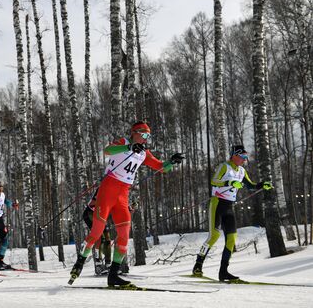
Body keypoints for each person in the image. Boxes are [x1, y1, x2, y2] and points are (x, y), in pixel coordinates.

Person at [69, 121, 184, 287]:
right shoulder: (124, 143)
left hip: (123, 195)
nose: (146, 139)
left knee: (123, 235)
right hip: (107, 190)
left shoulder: (144, 153)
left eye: (148, 136)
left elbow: (161, 167)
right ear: (134, 133)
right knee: (97, 233)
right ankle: (79, 262)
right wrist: (129, 148)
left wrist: (171, 162)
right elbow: (108, 150)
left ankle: (113, 275)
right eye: (143, 134)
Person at [192, 145, 273, 281]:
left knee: (232, 238)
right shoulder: (224, 166)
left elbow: (250, 185)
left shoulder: (241, 171)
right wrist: (230, 182)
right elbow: (214, 181)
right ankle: (198, 265)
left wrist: (262, 185)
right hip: (217, 203)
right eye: (242, 157)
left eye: (246, 158)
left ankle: (223, 271)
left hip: (228, 207)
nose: (244, 160)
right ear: (234, 155)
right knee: (214, 236)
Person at [82, 188, 112, 275]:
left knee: (107, 239)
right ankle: (98, 264)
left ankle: (108, 264)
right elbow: (95, 203)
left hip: (100, 215)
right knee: (100, 237)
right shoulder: (103, 188)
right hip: (90, 214)